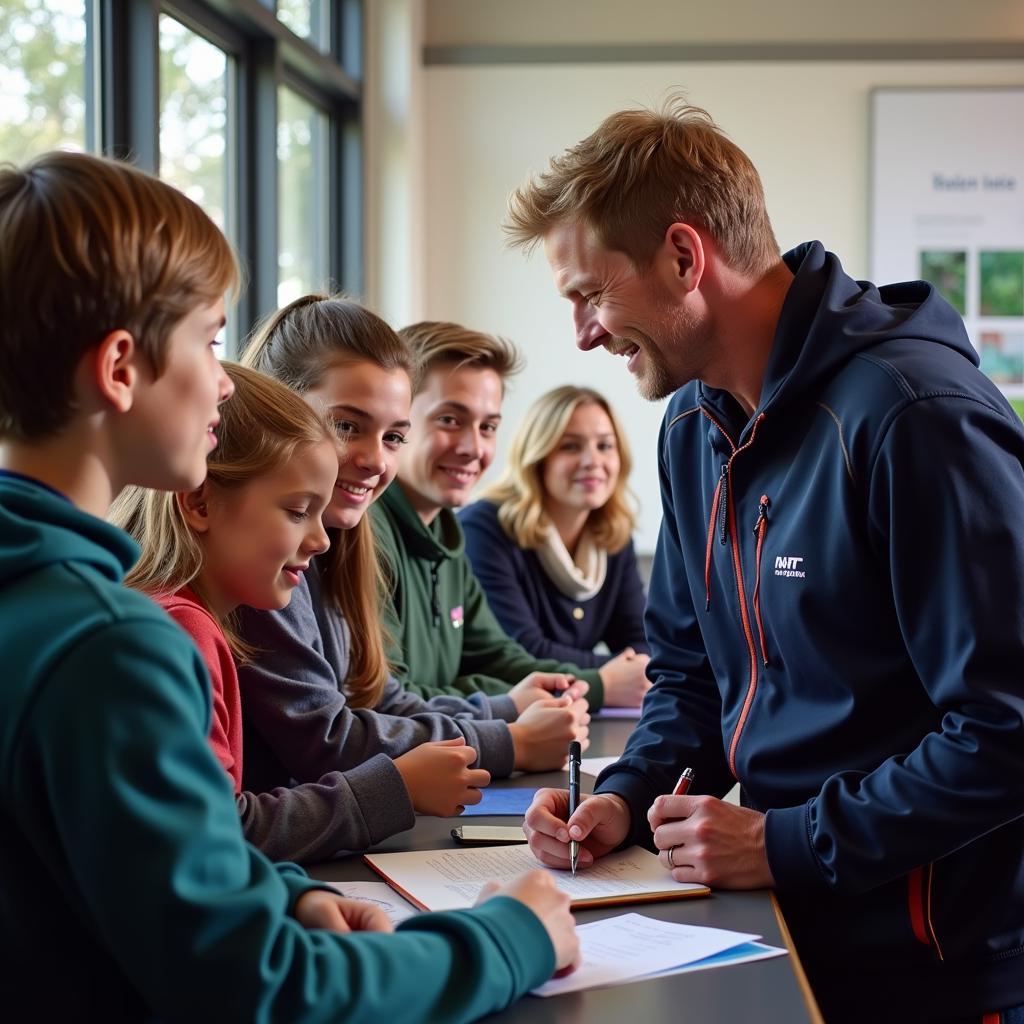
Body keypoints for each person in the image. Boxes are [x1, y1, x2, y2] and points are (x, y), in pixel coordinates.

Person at [0, 150, 577, 1020]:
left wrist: (280, 894)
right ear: (121, 369)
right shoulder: (111, 646)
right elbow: (261, 988)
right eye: (211, 341)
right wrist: (511, 938)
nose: (228, 382)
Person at [508, 98, 1024, 1023]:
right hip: (785, 925)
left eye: (590, 294)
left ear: (682, 255)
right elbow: (692, 677)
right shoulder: (690, 426)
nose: (583, 333)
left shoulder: (915, 417)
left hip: (934, 965)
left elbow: (1008, 727)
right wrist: (625, 796)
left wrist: (790, 846)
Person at [236, 295, 590, 837]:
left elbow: (372, 693)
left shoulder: (341, 540)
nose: (378, 460)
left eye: (393, 436)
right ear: (276, 407)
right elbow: (327, 741)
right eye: (347, 426)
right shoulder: (260, 561)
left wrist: (504, 712)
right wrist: (506, 738)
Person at [113, 362, 493, 861]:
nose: (318, 540)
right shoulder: (179, 631)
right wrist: (393, 788)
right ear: (200, 504)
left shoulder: (194, 622)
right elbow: (217, 839)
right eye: (297, 512)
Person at [374, 320, 650, 713]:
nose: (473, 447)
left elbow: (500, 659)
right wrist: (509, 700)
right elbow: (384, 701)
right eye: (449, 420)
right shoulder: (371, 531)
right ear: (398, 419)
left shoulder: (444, 533)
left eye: (488, 427)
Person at [461, 384, 651, 674]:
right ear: (537, 458)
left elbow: (641, 641)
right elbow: (522, 651)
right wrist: (619, 673)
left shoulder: (613, 534)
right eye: (570, 446)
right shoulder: (484, 528)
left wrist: (635, 668)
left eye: (605, 446)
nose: (592, 462)